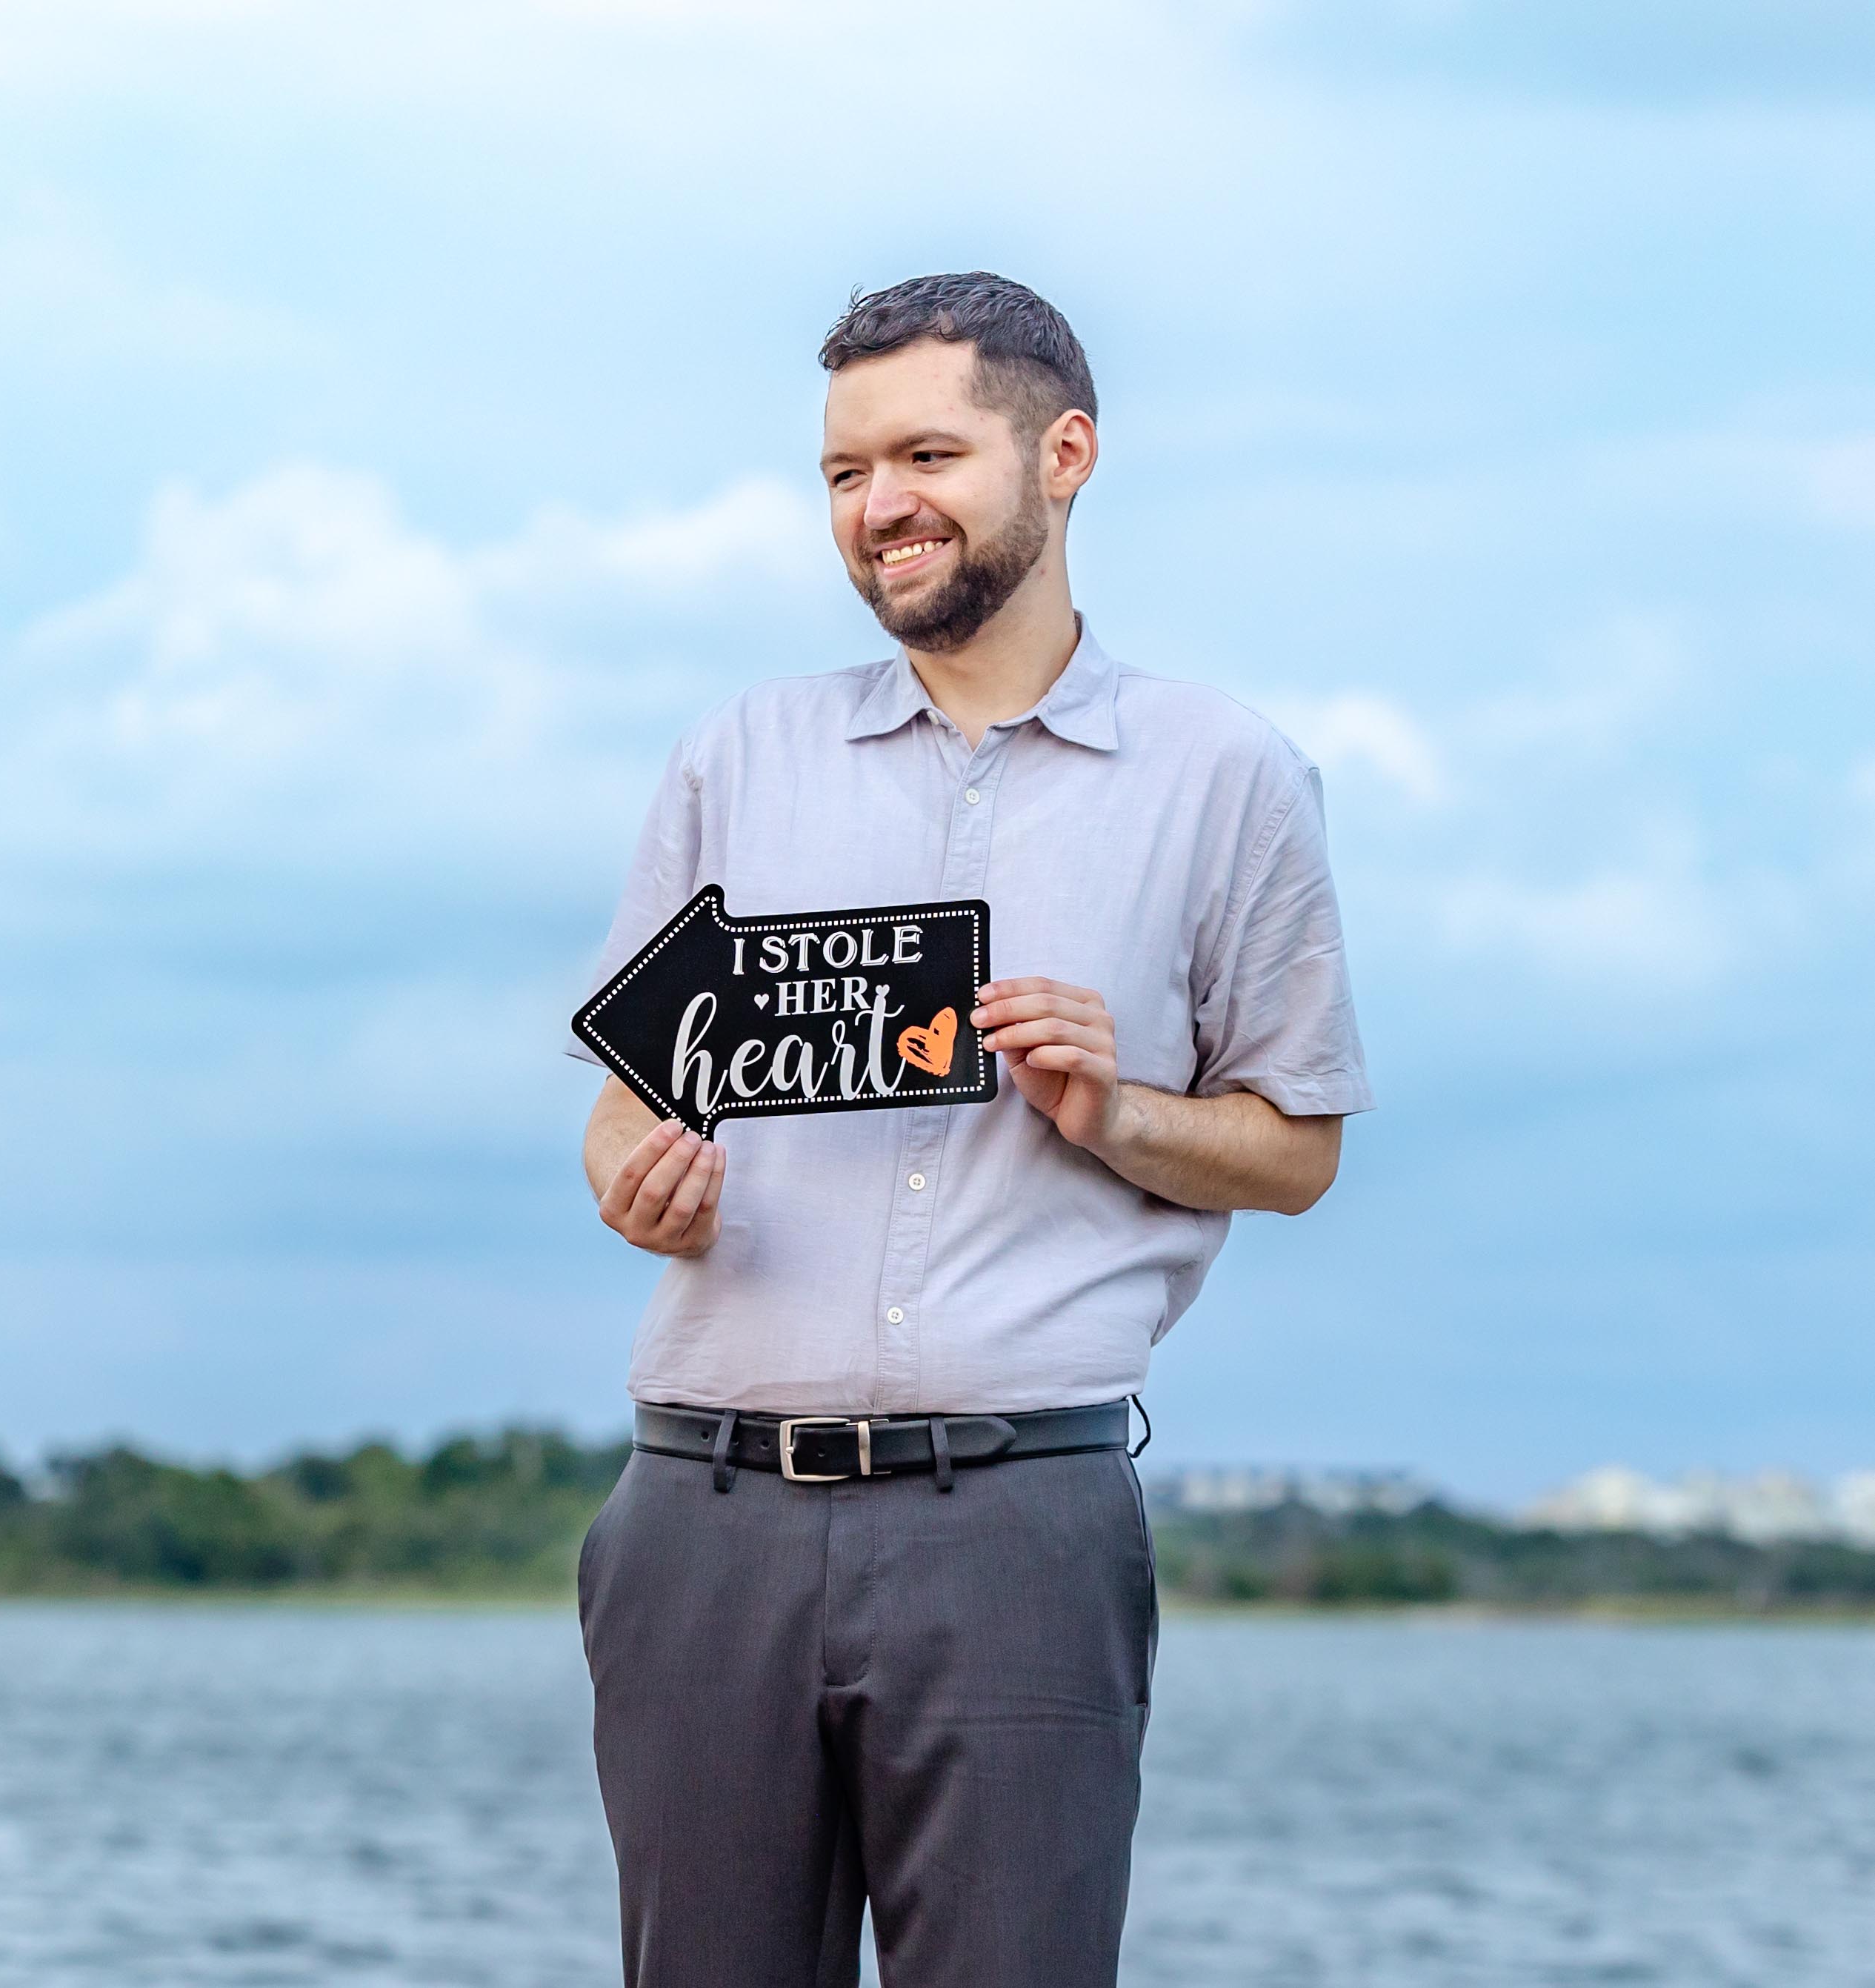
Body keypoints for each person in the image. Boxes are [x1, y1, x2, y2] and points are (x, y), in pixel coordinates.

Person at [568, 273, 1371, 1988]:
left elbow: (1296, 1150)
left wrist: (1123, 1109)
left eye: (926, 452)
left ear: (1063, 453)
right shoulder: (737, 756)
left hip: (1019, 1517)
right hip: (700, 1505)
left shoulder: (1225, 773)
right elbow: (625, 1112)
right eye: (845, 471)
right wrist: (645, 1189)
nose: (880, 507)